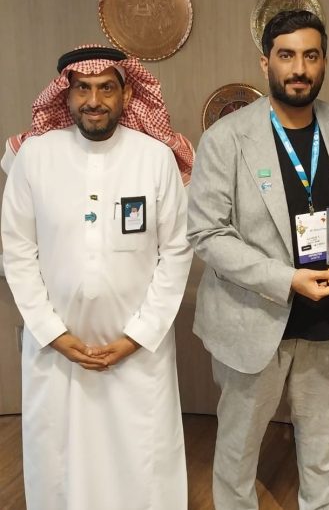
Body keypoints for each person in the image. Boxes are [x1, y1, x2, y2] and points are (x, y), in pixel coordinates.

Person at [188, 10, 329, 510]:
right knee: (239, 445)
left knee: (320, 443)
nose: (299, 68)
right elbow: (206, 233)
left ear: (324, 61)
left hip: (327, 313)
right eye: (287, 56)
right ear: (265, 62)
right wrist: (288, 279)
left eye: (310, 56)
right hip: (254, 318)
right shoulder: (227, 137)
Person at [1, 45, 195, 510]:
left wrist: (137, 335)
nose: (94, 100)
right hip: (56, 352)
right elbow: (17, 250)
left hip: (137, 352)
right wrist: (52, 333)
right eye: (83, 89)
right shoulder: (35, 158)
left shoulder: (155, 158)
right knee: (59, 458)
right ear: (64, 96)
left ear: (127, 94)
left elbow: (177, 252)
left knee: (140, 460)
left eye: (106, 88)